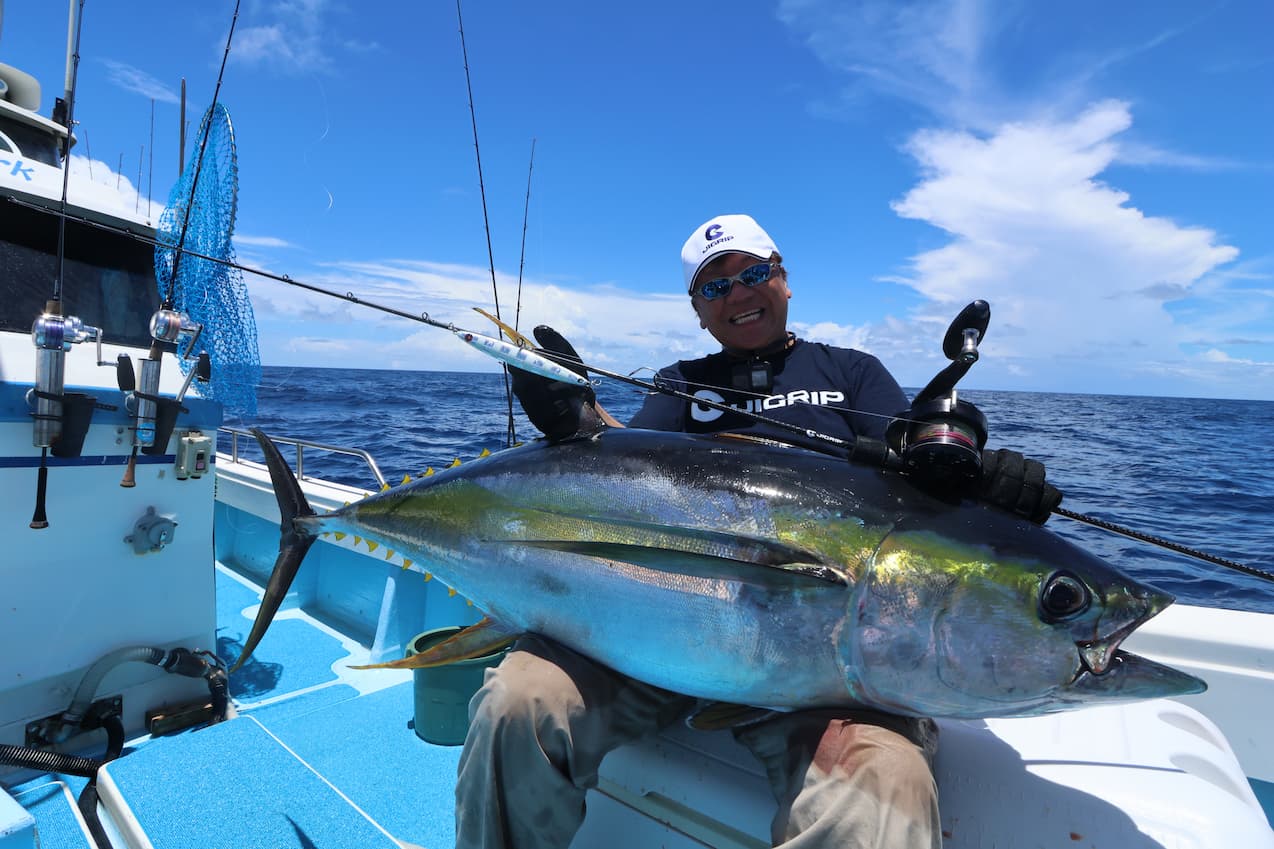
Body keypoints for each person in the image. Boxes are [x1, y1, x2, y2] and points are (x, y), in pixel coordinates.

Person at [456, 213, 1059, 848]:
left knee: (884, 786)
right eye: (715, 288)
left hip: (824, 667)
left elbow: (917, 488)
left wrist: (985, 487)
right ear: (698, 310)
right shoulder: (681, 383)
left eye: (752, 273)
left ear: (784, 279)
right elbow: (625, 460)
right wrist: (576, 418)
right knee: (516, 703)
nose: (739, 295)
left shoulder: (850, 373)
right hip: (649, 631)